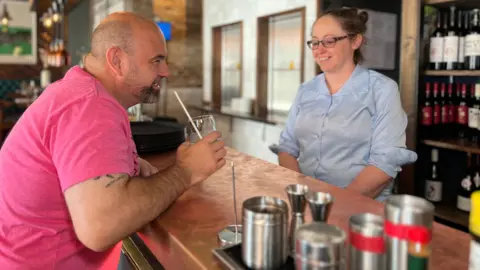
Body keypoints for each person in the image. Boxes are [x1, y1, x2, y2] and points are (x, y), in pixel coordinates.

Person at [0, 12, 227, 269]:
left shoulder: (81, 91)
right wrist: (185, 171)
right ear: (117, 60)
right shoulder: (90, 105)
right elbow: (100, 228)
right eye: (157, 61)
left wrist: (126, 161)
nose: (166, 71)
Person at [278, 7, 417, 201]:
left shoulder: (382, 89)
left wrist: (333, 206)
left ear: (355, 41)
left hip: (359, 211)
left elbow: (385, 163)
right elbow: (287, 147)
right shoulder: (306, 90)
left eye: (329, 41)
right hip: (306, 203)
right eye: (315, 42)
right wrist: (300, 192)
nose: (319, 49)